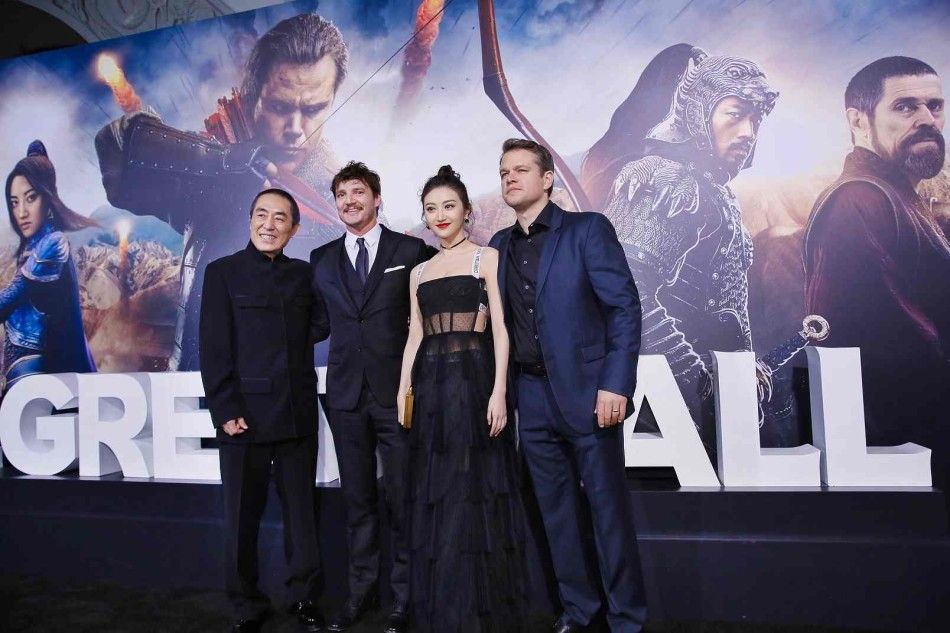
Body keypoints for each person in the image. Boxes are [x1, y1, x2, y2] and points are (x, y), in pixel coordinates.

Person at [96, 12, 349, 370]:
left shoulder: (347, 198)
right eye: (279, 107)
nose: (296, 128)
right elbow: (118, 148)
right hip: (203, 384)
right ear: (252, 98)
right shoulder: (217, 164)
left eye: (314, 109)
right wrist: (223, 165)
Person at [489, 139, 645, 633]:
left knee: (607, 514)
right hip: (530, 398)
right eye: (504, 172)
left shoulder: (587, 229)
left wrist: (615, 384)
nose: (510, 178)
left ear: (547, 178)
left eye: (521, 170)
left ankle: (626, 620)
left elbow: (623, 308)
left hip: (590, 394)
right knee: (556, 516)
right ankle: (580, 612)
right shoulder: (498, 245)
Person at [598, 48, 779, 447]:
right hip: (660, 407)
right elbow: (628, 295)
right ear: (699, 113)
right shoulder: (664, 180)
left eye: (755, 118)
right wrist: (696, 380)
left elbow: (726, 301)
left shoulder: (714, 190)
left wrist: (741, 365)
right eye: (735, 114)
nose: (748, 132)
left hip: (707, 406)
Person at [804, 56, 950, 493]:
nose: (927, 120)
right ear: (858, 121)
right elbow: (892, 347)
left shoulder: (898, 196)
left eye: (935, 106)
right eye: (905, 107)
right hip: (904, 456)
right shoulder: (859, 201)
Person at [396, 165, 528, 632]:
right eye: (431, 208)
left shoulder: (486, 258)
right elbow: (415, 333)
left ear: (467, 211)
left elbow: (502, 329)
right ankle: (445, 606)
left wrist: (499, 391)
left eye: (449, 206)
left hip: (475, 382)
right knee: (439, 488)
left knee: (475, 488)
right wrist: (403, 387)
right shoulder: (418, 271)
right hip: (430, 386)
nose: (440, 215)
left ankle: (477, 609)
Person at [309, 162, 430, 633]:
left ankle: (404, 598)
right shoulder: (321, 259)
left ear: (377, 199)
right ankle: (361, 592)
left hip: (396, 393)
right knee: (357, 501)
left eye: (358, 192)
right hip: (344, 396)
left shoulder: (409, 250)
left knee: (401, 498)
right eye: (341, 194)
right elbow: (317, 323)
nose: (349, 201)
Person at [199, 188, 324, 633]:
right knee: (241, 516)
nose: (269, 225)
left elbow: (321, 323)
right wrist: (225, 407)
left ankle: (304, 597)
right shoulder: (222, 272)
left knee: (302, 515)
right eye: (261, 215)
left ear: (294, 228)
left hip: (296, 412)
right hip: (243, 417)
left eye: (280, 218)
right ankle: (246, 604)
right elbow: (213, 346)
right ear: (250, 219)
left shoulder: (304, 275)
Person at [1, 140, 96, 392]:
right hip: (20, 366)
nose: (21, 212)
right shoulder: (35, 243)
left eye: (30, 198)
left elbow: (10, 299)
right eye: (14, 202)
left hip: (31, 370)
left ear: (47, 197)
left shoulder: (52, 243)